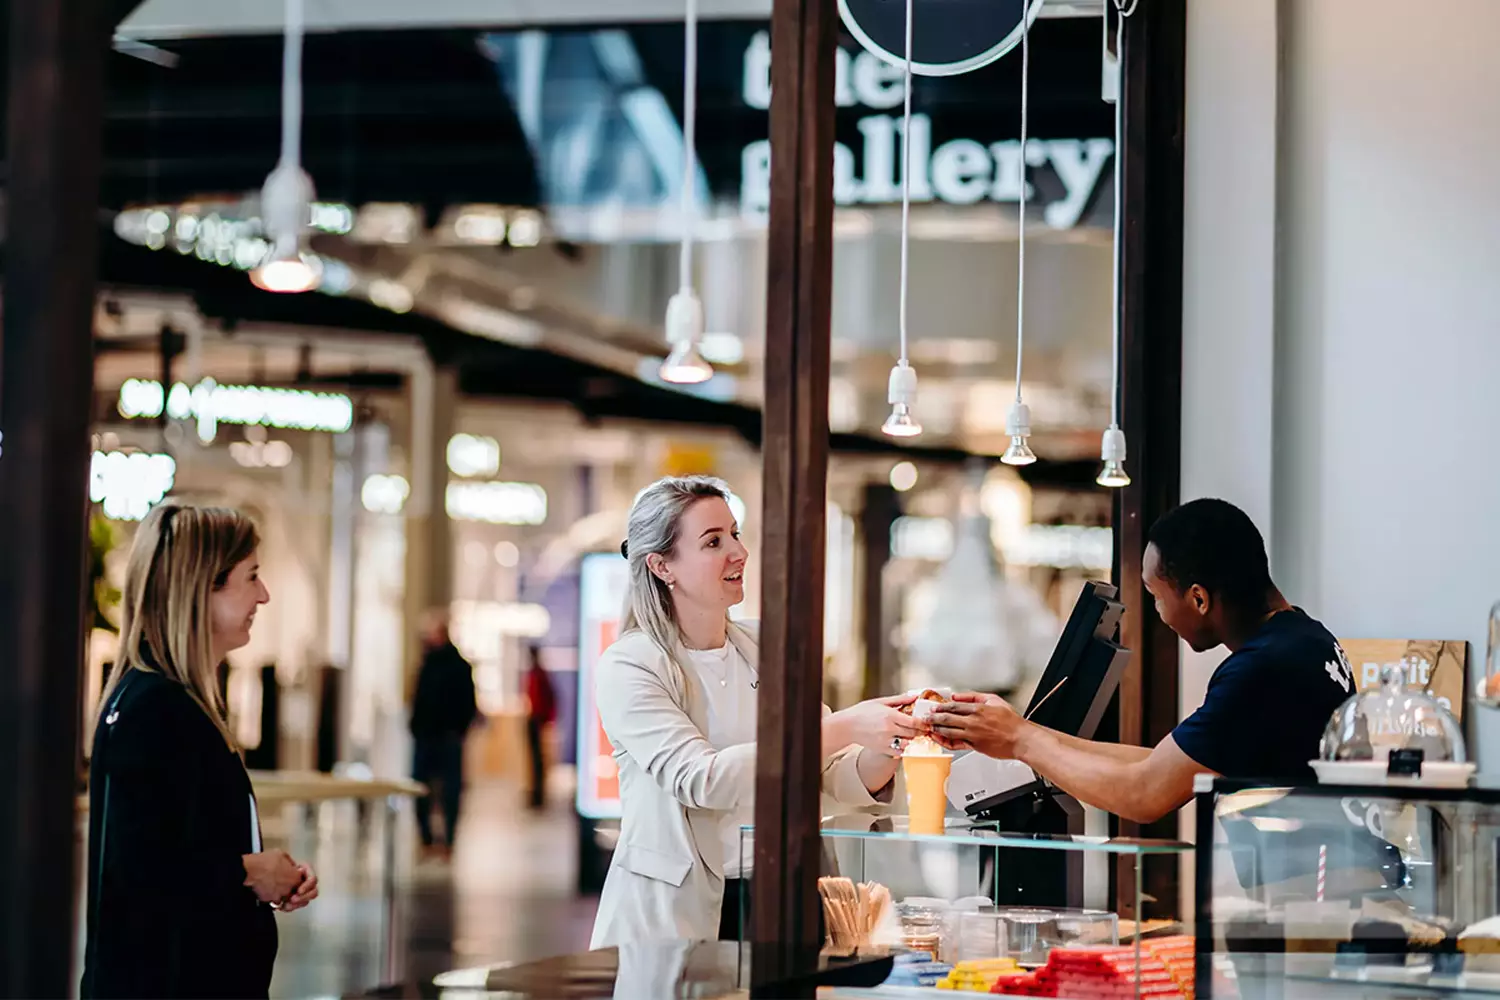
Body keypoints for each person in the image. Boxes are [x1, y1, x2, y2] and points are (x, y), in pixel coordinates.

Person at [589, 475, 920, 949]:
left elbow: (824, 772)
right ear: (662, 565)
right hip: (674, 916)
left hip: (779, 902)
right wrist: (843, 726)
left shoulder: (765, 645)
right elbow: (701, 780)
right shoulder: (630, 664)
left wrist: (889, 738)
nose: (738, 553)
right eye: (713, 541)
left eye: (735, 534)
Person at [930, 497, 1353, 825]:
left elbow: (1144, 795)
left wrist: (1021, 740)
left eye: (1155, 597)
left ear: (1199, 598)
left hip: (1306, 903)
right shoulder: (1307, 639)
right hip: (1318, 889)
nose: (1158, 614)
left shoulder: (1261, 669)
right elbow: (1156, 763)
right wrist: (1020, 733)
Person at [82, 501, 319, 999]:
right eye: (250, 577)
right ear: (203, 586)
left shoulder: (169, 702)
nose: (264, 594)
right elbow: (137, 874)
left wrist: (266, 878)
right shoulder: (156, 709)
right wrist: (251, 870)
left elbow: (179, 850)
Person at [410, 609, 478, 861]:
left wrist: (457, 729)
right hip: (425, 737)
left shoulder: (458, 666)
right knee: (420, 788)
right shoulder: (426, 664)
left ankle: (448, 840)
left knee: (450, 791)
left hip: (448, 737)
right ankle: (426, 839)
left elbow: (468, 704)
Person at [523, 644, 557, 810]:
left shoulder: (539, 674)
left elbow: (546, 699)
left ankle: (538, 795)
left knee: (537, 761)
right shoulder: (538, 673)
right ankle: (536, 793)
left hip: (537, 720)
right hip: (536, 719)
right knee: (535, 760)